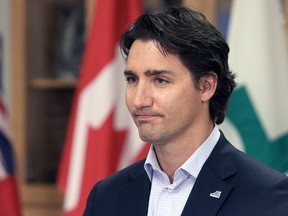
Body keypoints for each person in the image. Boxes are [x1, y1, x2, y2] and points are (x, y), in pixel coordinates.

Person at [83, 6, 288, 216]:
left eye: (160, 80)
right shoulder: (106, 196)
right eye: (132, 80)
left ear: (206, 86)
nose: (139, 99)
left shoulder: (268, 195)